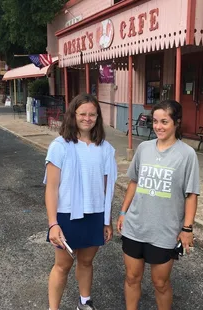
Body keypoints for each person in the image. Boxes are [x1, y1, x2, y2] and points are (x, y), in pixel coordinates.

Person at [117, 100, 200, 310]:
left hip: (164, 230)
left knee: (160, 283)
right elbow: (134, 182)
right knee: (131, 277)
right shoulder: (144, 148)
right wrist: (123, 212)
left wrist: (187, 228)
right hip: (135, 226)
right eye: (155, 121)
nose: (158, 126)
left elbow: (191, 195)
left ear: (176, 123)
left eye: (164, 121)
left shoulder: (187, 155)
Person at [44, 93, 117, 310]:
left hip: (94, 214)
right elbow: (51, 188)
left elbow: (106, 188)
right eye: (82, 113)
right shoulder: (60, 146)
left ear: (98, 117)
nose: (87, 118)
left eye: (92, 114)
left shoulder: (104, 148)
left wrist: (107, 220)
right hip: (67, 214)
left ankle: (84, 302)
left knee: (86, 262)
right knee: (62, 265)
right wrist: (52, 223)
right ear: (73, 115)